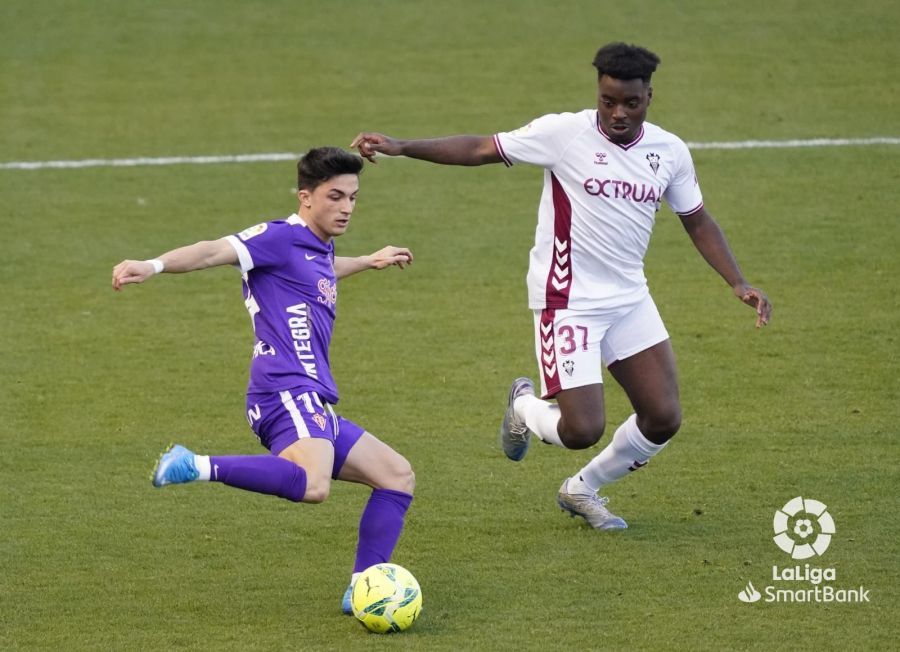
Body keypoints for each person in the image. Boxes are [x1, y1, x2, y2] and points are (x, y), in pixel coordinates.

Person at [351, 42, 771, 530]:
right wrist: (403, 146)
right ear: (598, 92)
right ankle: (524, 406)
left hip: (629, 297)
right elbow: (481, 148)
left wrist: (737, 281)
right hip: (566, 301)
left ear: (649, 97)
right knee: (582, 429)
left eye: (629, 103)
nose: (617, 113)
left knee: (663, 417)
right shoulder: (564, 134)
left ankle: (582, 489)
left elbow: (697, 220)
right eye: (607, 100)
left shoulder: (669, 151)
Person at [112, 147, 416, 612]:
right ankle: (195, 464)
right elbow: (214, 251)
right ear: (306, 197)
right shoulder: (278, 237)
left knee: (396, 476)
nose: (347, 208)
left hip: (309, 396)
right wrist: (152, 266)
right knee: (314, 485)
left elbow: (319, 271)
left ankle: (361, 589)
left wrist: (367, 260)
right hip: (285, 389)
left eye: (353, 198)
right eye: (335, 196)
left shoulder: (317, 246)